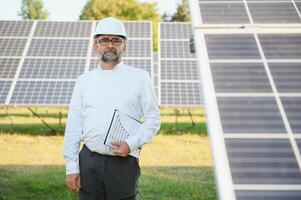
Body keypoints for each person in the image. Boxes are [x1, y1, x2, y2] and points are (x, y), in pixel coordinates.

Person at [63, 17, 160, 200]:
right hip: (89, 160)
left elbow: (153, 119)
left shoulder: (140, 77)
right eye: (104, 40)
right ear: (95, 46)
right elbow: (74, 124)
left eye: (116, 40)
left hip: (123, 162)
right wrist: (71, 166)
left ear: (124, 46)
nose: (110, 45)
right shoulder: (84, 81)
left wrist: (131, 144)